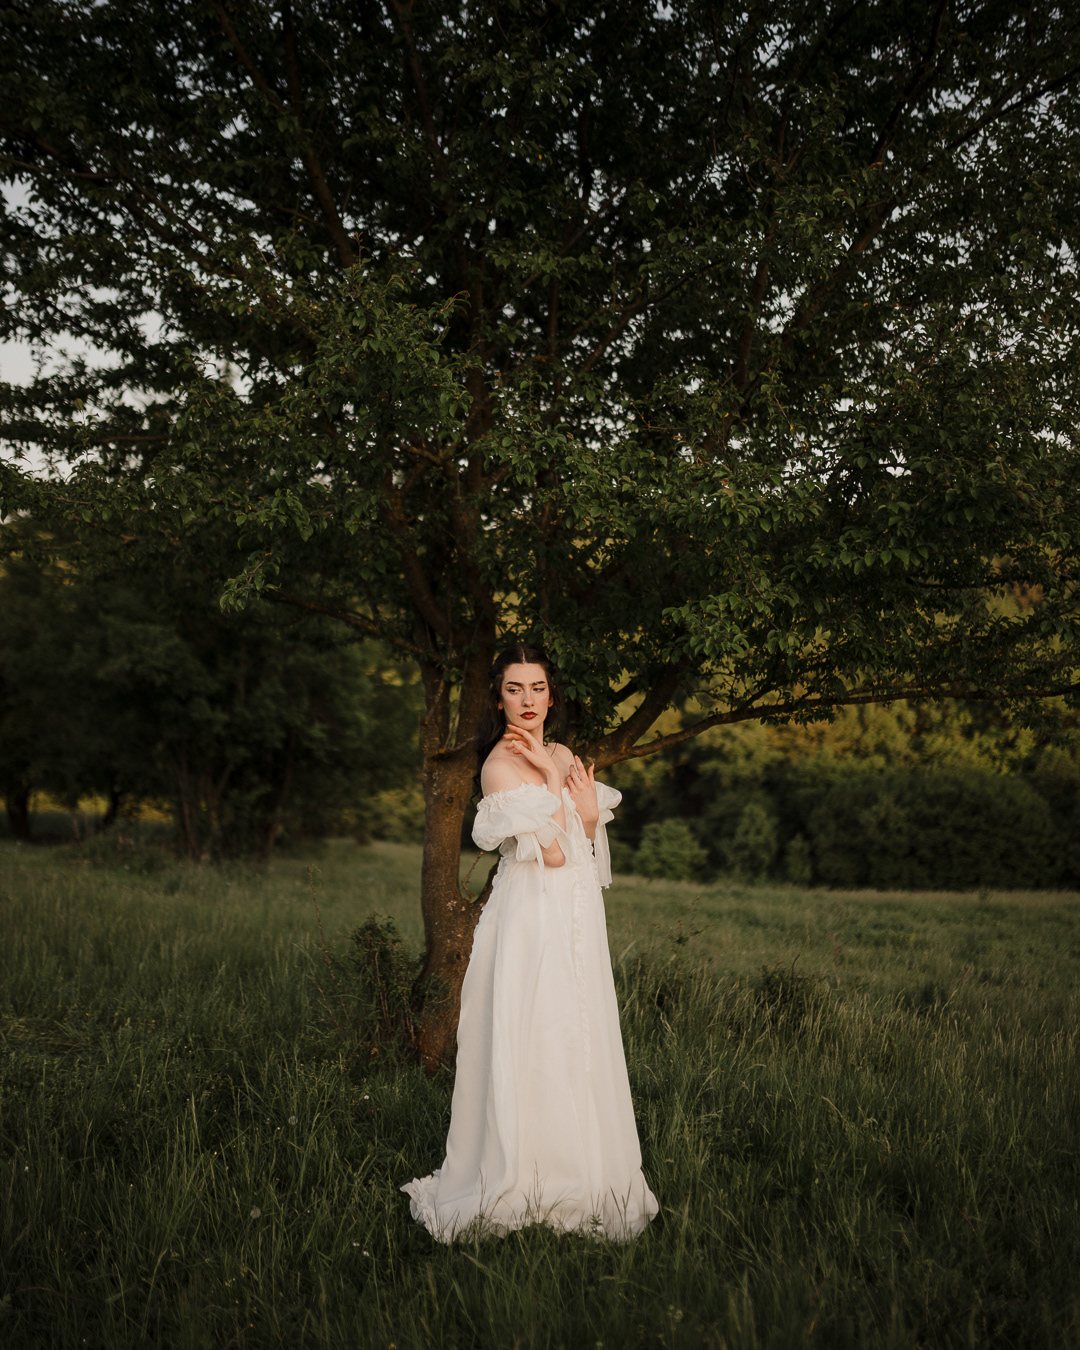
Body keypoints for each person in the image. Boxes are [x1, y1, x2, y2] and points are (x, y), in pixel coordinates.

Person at [401, 643, 658, 1242]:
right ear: (498, 699)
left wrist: (586, 811)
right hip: (532, 917)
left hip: (576, 914)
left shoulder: (564, 753)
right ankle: (533, 1175)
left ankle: (590, 1171)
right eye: (514, 689)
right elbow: (553, 853)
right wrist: (546, 778)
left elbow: (586, 849)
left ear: (551, 694)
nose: (527, 701)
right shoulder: (499, 766)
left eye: (537, 688)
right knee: (539, 1032)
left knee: (580, 1031)